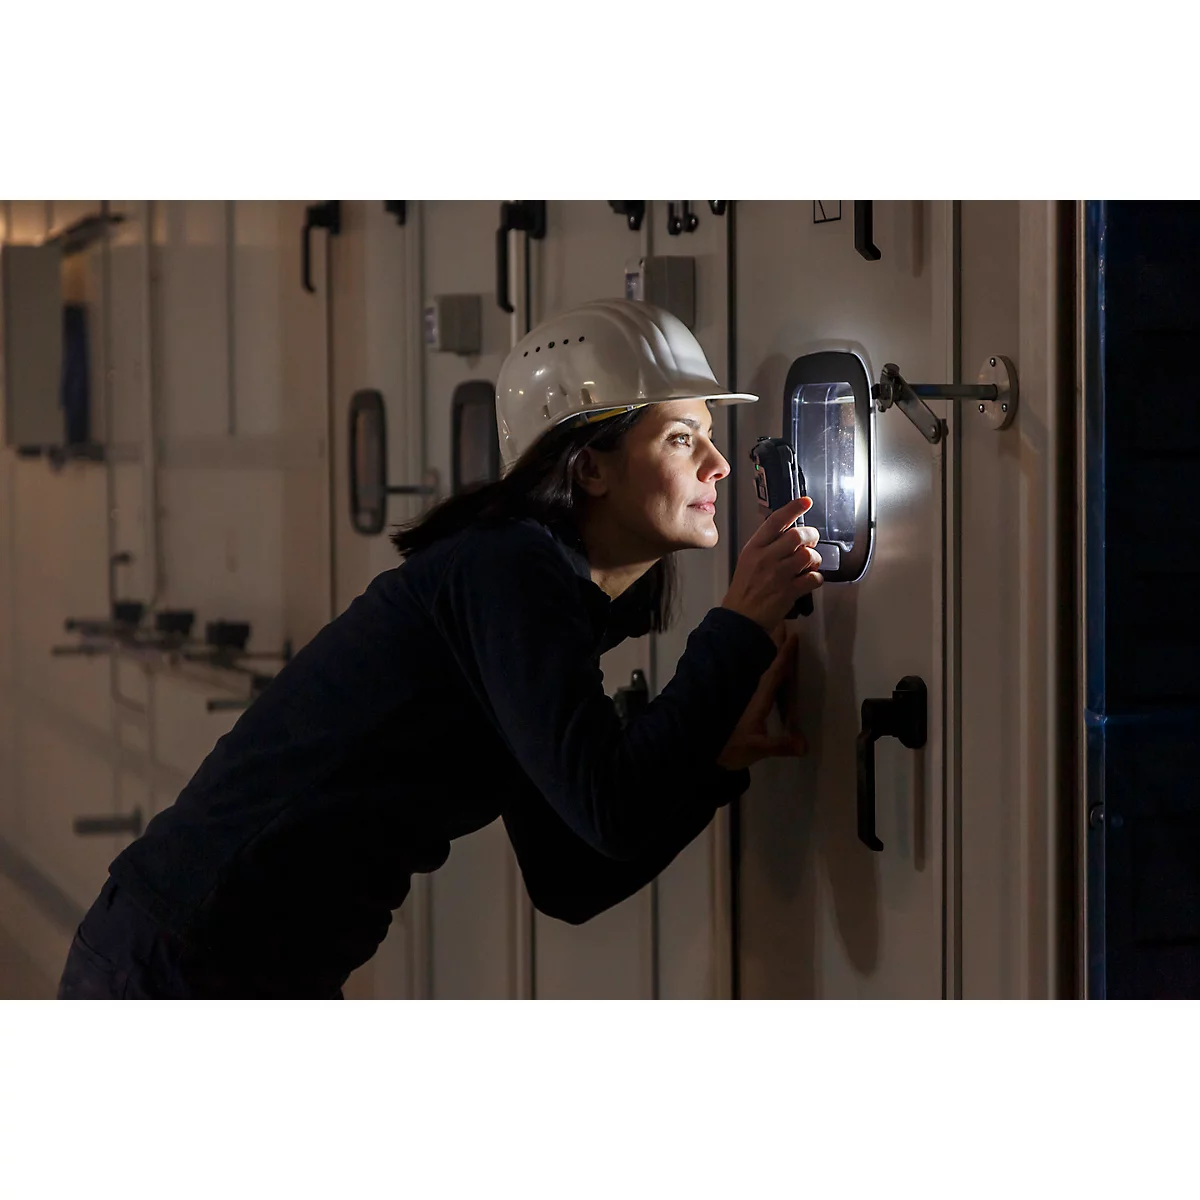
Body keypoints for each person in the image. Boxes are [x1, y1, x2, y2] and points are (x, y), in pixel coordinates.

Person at [56, 298, 824, 1000]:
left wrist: (714, 764)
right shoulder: (509, 571)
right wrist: (738, 624)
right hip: (183, 963)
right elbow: (612, 809)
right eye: (682, 439)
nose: (718, 466)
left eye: (710, 439)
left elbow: (571, 874)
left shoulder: (532, 590)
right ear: (589, 466)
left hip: (233, 961)